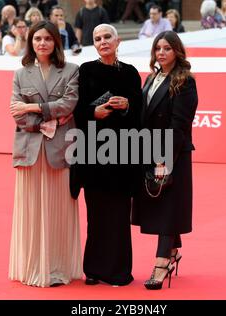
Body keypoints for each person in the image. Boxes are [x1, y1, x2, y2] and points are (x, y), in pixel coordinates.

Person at [8, 21, 82, 287]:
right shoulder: (21, 73)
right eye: (37, 38)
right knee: (31, 211)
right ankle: (31, 267)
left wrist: (33, 108)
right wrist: (41, 116)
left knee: (60, 210)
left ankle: (58, 268)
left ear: (56, 42)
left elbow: (69, 104)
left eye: (47, 39)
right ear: (30, 42)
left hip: (61, 149)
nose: (42, 43)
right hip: (30, 150)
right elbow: (16, 112)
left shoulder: (72, 70)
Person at [72, 24, 142, 286]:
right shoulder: (86, 70)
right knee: (96, 214)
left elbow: (140, 111)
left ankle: (119, 272)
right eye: (97, 38)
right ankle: (93, 270)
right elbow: (75, 110)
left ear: (118, 41)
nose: (103, 42)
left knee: (120, 216)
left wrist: (128, 104)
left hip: (122, 154)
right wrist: (94, 113)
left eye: (107, 37)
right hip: (94, 156)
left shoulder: (131, 73)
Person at [132, 31, 198, 290]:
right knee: (163, 204)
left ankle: (161, 264)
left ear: (177, 52)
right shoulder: (151, 77)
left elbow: (179, 126)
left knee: (169, 207)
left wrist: (164, 160)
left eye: (167, 48)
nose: (161, 52)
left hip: (172, 154)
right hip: (149, 151)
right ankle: (173, 252)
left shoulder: (185, 82)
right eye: (157, 48)